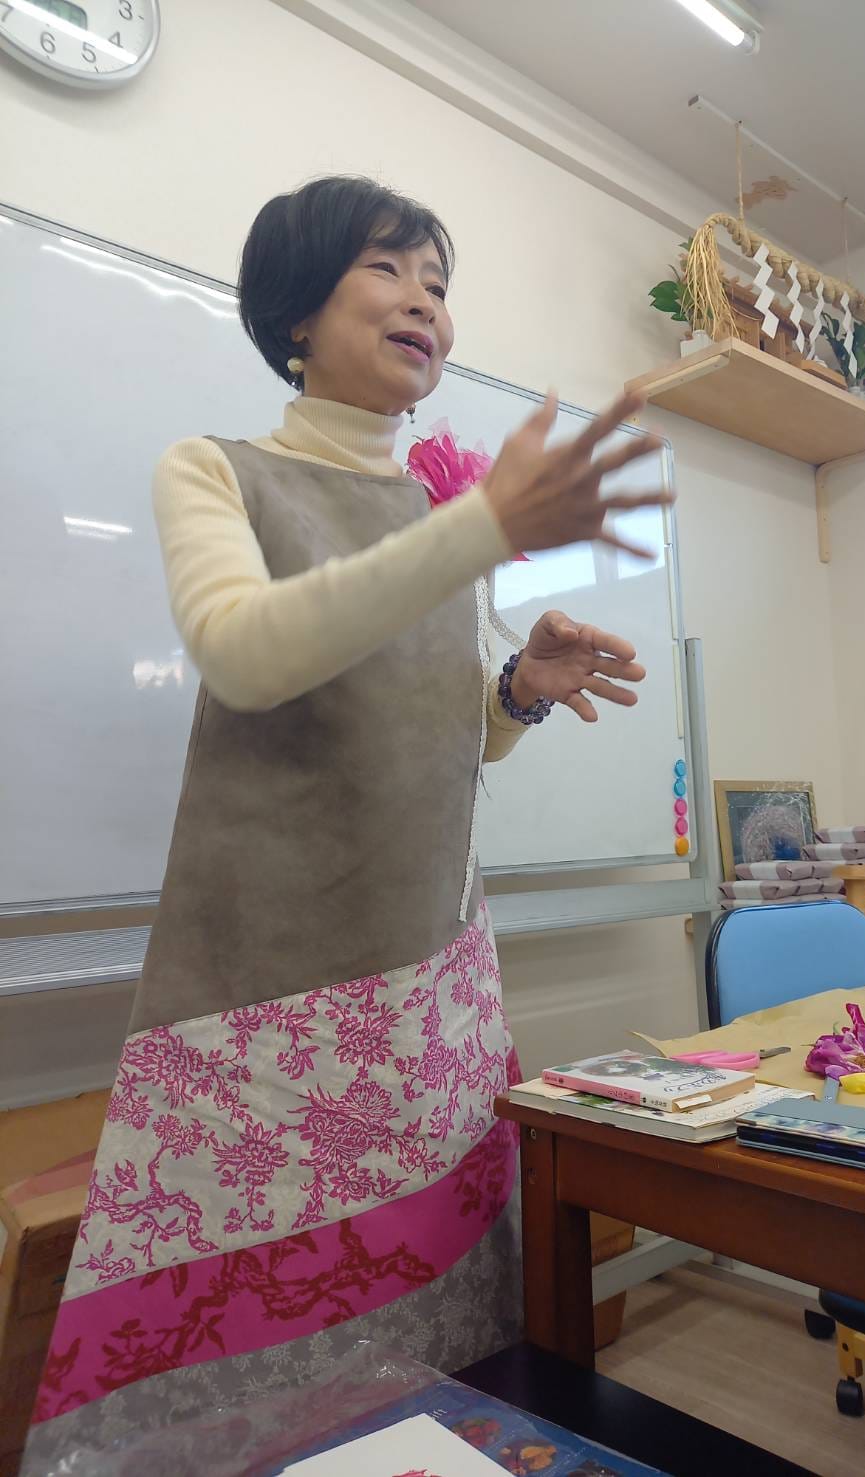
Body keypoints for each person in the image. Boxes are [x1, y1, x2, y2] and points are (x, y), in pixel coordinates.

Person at [25, 175, 671, 1465]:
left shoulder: (441, 516)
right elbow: (246, 651)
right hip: (265, 1011)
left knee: (443, 1355)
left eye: (438, 282)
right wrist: (482, 528)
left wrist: (517, 691)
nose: (424, 300)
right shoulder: (217, 469)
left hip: (431, 1004)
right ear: (295, 314)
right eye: (388, 268)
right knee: (246, 1385)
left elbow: (447, 731)